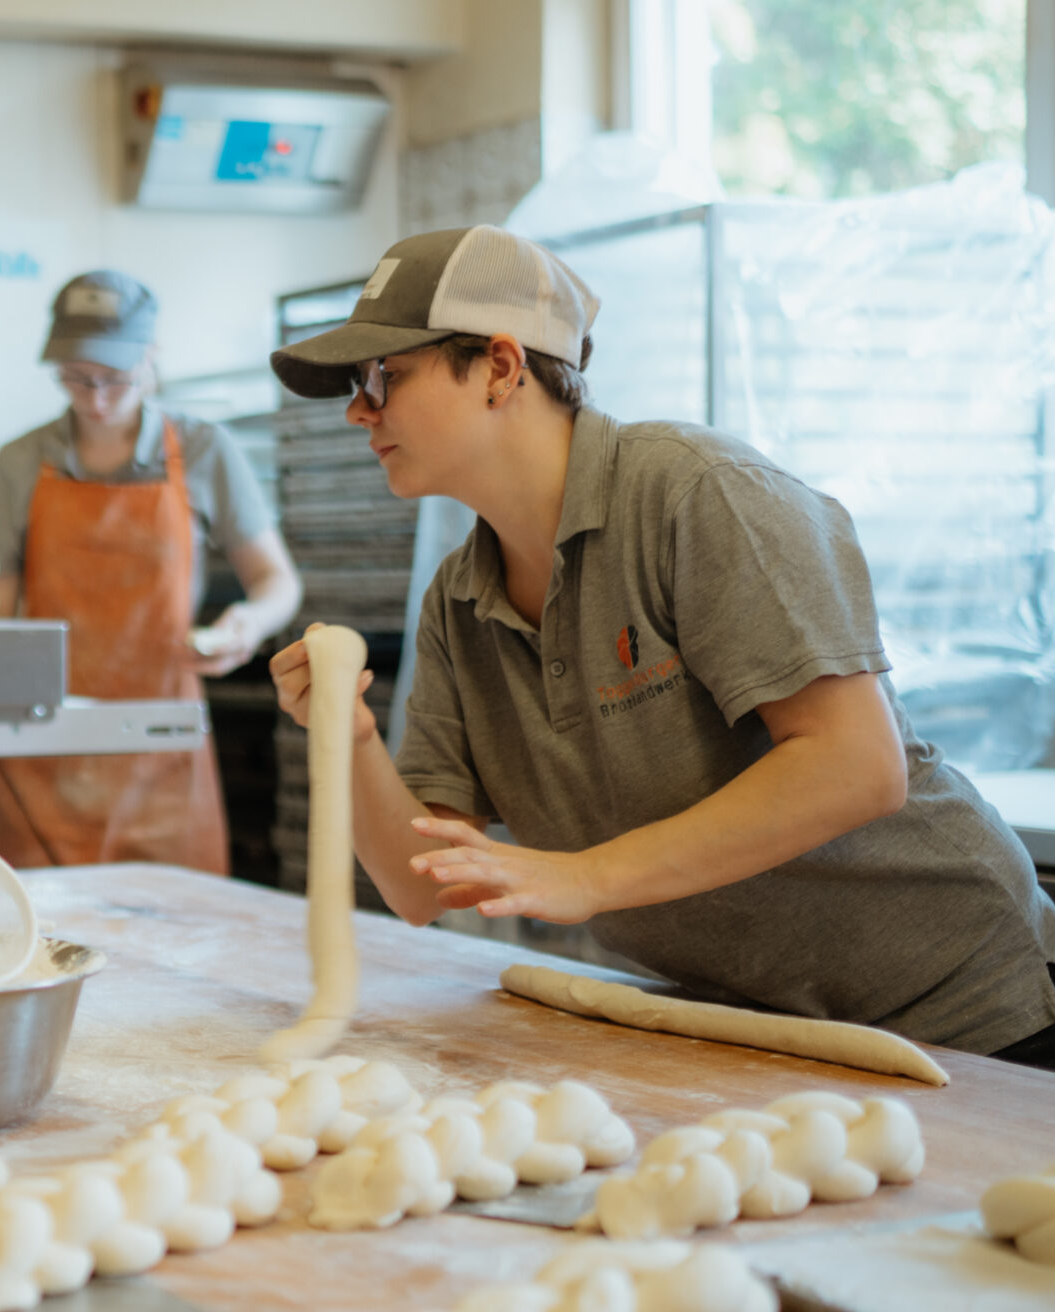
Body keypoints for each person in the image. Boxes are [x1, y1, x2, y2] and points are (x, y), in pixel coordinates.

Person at [266, 224, 1055, 1064]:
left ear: (501, 367)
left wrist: (584, 875)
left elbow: (858, 763)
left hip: (965, 1002)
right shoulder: (460, 602)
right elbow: (423, 884)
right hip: (757, 1025)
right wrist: (347, 737)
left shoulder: (699, 496)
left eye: (384, 376)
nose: (358, 409)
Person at [0, 270, 301, 871]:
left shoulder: (205, 449)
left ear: (152, 358)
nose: (97, 398)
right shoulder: (20, 461)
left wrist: (248, 623)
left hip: (159, 744)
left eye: (115, 379)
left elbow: (278, 583)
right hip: (40, 746)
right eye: (77, 380)